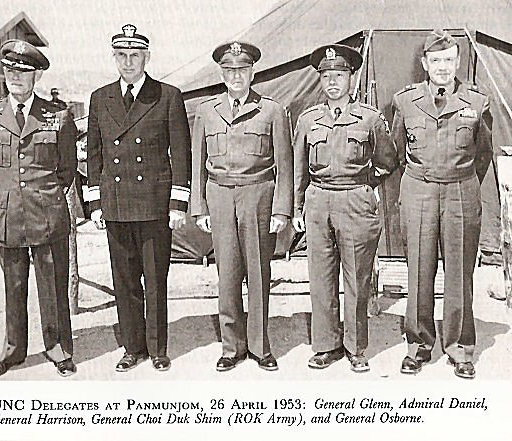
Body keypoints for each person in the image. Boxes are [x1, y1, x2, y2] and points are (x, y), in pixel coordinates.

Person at [87, 24, 191, 372]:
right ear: (114, 58)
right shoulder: (100, 98)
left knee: (155, 277)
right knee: (125, 280)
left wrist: (177, 204)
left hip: (154, 204)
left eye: (135, 56)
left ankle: (157, 348)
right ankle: (133, 347)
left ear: (146, 57)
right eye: (122, 56)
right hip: (116, 203)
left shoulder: (167, 95)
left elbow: (181, 151)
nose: (128, 62)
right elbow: (95, 154)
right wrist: (95, 203)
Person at [392, 30, 492, 379]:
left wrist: (459, 183)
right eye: (436, 60)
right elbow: (395, 150)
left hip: (461, 192)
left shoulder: (477, 102)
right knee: (419, 270)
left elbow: (483, 155)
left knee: (460, 274)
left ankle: (461, 348)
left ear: (458, 61)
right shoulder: (404, 102)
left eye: (449, 59)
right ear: (424, 64)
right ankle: (418, 345)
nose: (443, 67)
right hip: (418, 189)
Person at [0, 39, 78, 378]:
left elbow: (66, 170)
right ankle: (13, 351)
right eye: (10, 71)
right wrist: (12, 196)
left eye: (24, 72)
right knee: (13, 287)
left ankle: (58, 348)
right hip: (8, 217)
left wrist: (43, 196)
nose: (16, 78)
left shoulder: (58, 116)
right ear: (4, 74)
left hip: (47, 216)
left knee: (53, 287)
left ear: (37, 76)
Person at [293, 44, 398, 372]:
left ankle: (355, 347)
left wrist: (364, 183)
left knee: (356, 278)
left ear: (351, 78)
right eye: (326, 76)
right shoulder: (308, 119)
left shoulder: (369, 118)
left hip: (355, 201)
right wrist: (297, 208)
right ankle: (326, 345)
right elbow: (298, 168)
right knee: (321, 278)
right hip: (319, 201)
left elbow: (388, 161)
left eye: (339, 75)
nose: (332, 82)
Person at [190, 41, 293, 372]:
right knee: (227, 275)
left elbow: (285, 164)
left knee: (260, 272)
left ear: (253, 72)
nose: (236, 76)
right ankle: (231, 346)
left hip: (258, 196)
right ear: (222, 73)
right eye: (230, 70)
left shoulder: (273, 111)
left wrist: (281, 210)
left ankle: (261, 346)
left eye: (242, 70)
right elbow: (197, 163)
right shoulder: (207, 111)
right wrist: (199, 207)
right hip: (219, 197)